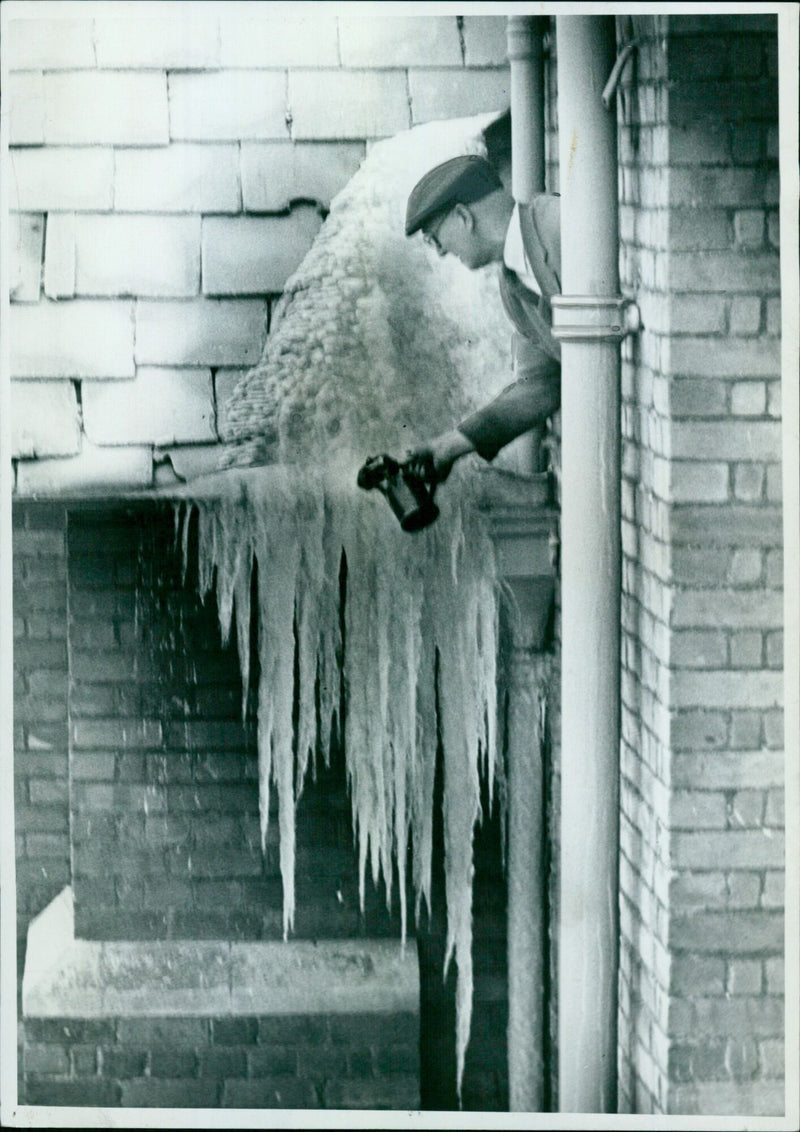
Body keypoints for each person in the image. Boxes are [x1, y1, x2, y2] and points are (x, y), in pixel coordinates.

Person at [403, 154, 562, 484]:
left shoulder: (557, 224)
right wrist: (449, 446)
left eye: (435, 238)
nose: (441, 251)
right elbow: (541, 385)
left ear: (463, 216)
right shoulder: (513, 289)